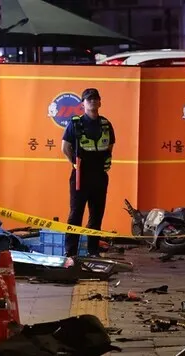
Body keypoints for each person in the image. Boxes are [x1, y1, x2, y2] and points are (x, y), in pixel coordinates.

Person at [60, 88, 115, 257]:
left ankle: (93, 251)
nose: (92, 101)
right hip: (80, 177)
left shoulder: (106, 124)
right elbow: (65, 147)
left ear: (100, 102)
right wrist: (75, 164)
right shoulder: (76, 124)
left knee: (96, 215)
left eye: (95, 99)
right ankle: (70, 253)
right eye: (88, 99)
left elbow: (110, 147)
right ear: (83, 104)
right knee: (75, 215)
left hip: (99, 176)